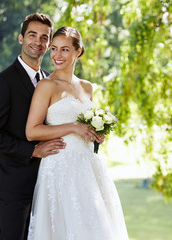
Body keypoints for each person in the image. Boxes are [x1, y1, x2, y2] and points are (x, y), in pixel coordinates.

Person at [25, 26, 129, 240]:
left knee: (95, 228)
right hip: (60, 167)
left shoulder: (87, 87)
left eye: (65, 50)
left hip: (88, 167)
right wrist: (73, 127)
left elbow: (87, 125)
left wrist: (96, 134)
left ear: (78, 52)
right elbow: (32, 131)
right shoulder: (46, 85)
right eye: (54, 48)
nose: (56, 55)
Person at [0, 13, 66, 240]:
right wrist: (32, 151)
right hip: (15, 184)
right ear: (20, 38)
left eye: (44, 37)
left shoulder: (51, 80)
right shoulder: (3, 82)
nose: (38, 42)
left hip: (48, 180)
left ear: (49, 44)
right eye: (32, 35)